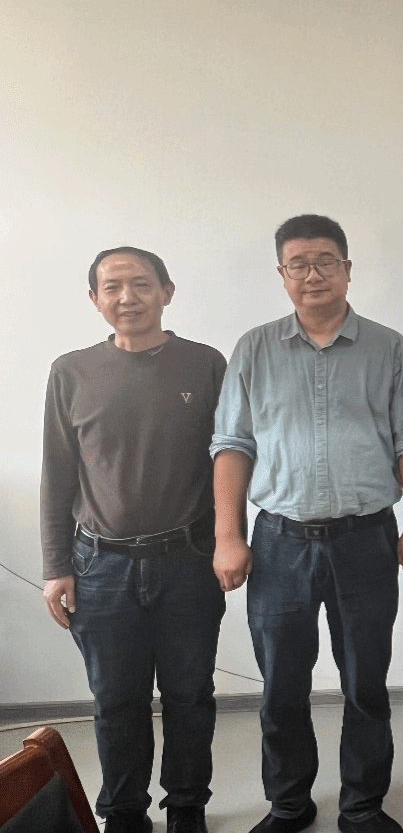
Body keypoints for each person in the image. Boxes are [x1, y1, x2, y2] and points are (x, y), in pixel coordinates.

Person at [211, 215, 403, 833]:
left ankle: (362, 805)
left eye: (326, 261)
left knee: (366, 683)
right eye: (299, 264)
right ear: (282, 274)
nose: (313, 275)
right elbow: (232, 444)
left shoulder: (389, 348)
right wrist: (229, 536)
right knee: (281, 686)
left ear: (347, 269)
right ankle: (289, 804)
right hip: (279, 542)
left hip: (366, 538)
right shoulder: (254, 348)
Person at [41, 247, 226, 833]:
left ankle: (187, 805)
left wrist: (230, 541)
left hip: (188, 560)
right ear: (94, 300)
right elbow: (57, 473)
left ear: (167, 291)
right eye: (112, 287)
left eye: (142, 284)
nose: (128, 298)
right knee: (116, 700)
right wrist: (56, 566)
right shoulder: (70, 371)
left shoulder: (205, 364)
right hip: (100, 566)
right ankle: (123, 812)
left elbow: (230, 462)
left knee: (190, 695)